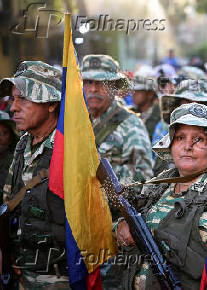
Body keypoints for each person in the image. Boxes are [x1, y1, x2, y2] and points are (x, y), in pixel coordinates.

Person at [116, 103, 207, 289]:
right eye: (180, 138)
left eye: (199, 139)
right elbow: (130, 220)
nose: (187, 146)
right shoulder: (160, 183)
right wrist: (121, 227)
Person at [0, 61, 69, 289]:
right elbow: (8, 203)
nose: (13, 108)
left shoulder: (69, 149)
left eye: (23, 99)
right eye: (13, 99)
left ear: (50, 103)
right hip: (22, 272)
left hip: (58, 277)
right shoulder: (23, 144)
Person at [81, 54, 154, 189]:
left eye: (101, 83)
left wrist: (99, 178)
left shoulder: (130, 125)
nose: (93, 89)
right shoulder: (76, 121)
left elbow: (143, 179)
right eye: (88, 82)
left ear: (114, 87)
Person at [131, 66, 161, 140]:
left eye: (138, 91)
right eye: (133, 91)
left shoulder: (161, 116)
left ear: (150, 94)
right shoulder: (129, 113)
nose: (134, 94)